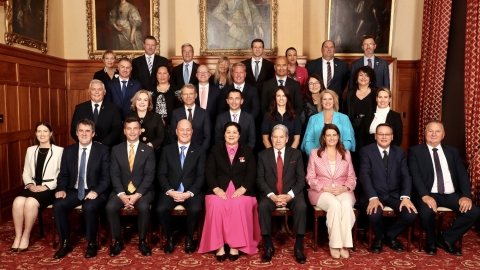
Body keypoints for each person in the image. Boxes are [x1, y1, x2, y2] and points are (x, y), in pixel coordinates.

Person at [408, 120, 480, 256]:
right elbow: (414, 175)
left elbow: (462, 174)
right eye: (430, 131)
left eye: (437, 131)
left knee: (474, 212)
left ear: (443, 134)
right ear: (425, 133)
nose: (434, 134)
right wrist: (425, 195)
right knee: (426, 211)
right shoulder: (415, 151)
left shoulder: (452, 152)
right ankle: (430, 242)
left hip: (450, 194)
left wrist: (466, 196)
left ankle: (445, 239)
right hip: (427, 193)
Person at [199, 122, 261, 261]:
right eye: (228, 132)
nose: (231, 135)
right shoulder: (215, 150)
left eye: (234, 132)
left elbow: (252, 173)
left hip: (242, 189)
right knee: (216, 205)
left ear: (239, 135)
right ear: (224, 134)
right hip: (218, 188)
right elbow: (209, 172)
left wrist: (243, 188)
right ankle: (219, 246)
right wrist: (216, 188)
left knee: (238, 204)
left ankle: (235, 246)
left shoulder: (247, 151)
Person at [53, 119, 110, 259]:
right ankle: (65, 243)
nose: (84, 134)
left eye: (87, 131)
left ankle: (91, 243)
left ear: (93, 133)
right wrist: (61, 188)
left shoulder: (103, 150)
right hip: (74, 190)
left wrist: (96, 191)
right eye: (81, 130)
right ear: (76, 133)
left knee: (89, 207)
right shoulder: (68, 151)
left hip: (96, 190)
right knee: (58, 205)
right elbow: (63, 175)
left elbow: (106, 178)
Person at [359, 123, 417, 253]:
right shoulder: (366, 151)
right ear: (375, 136)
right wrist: (373, 197)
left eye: (387, 134)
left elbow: (406, 176)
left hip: (394, 194)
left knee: (411, 214)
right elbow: (364, 176)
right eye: (380, 134)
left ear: (392, 136)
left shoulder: (399, 152)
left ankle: (390, 236)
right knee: (374, 214)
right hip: (374, 193)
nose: (384, 137)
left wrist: (406, 197)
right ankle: (378, 238)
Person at [257, 124, 307, 264]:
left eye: (281, 137)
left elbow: (301, 179)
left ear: (287, 139)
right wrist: (272, 195)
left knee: (302, 206)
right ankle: (269, 247)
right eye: (275, 137)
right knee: (262, 207)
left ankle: (298, 247)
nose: (278, 140)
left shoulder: (296, 154)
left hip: (292, 194)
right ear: (271, 138)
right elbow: (259, 179)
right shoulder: (262, 155)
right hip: (270, 195)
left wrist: (290, 195)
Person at [106, 117, 156, 257]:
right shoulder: (116, 150)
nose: (132, 131)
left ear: (140, 131)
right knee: (110, 207)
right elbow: (114, 174)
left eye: (135, 128)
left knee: (144, 207)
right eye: (129, 128)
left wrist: (137, 194)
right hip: (120, 190)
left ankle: (142, 241)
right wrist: (121, 194)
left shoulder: (148, 150)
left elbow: (149, 175)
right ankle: (117, 241)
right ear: (124, 131)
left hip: (142, 191)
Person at [10, 122, 63, 253]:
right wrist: (29, 185)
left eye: (45, 131)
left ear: (51, 134)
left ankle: (26, 236)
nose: (42, 134)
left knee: (30, 203)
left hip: (49, 189)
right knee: (17, 202)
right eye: (39, 131)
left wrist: (45, 186)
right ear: (35, 134)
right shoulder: (30, 150)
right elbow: (26, 172)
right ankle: (18, 236)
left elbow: (62, 175)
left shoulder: (59, 151)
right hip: (32, 187)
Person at [306, 124, 356, 259]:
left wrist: (345, 188)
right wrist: (324, 188)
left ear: (338, 137)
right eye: (328, 135)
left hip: (342, 190)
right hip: (321, 191)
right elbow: (310, 177)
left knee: (345, 205)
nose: (332, 138)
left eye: (334, 135)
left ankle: (345, 244)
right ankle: (334, 244)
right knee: (334, 205)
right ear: (323, 137)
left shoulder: (346, 154)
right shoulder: (315, 154)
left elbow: (352, 177)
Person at [156, 120, 206, 255]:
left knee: (195, 209)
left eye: (188, 130)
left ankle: (190, 238)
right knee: (161, 209)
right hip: (171, 191)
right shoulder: (167, 150)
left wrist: (189, 193)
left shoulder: (200, 150)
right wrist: (171, 192)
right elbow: (161, 175)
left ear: (192, 132)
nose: (185, 133)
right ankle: (170, 237)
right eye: (182, 130)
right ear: (176, 131)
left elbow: (201, 176)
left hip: (191, 192)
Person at [301, 90, 355, 156]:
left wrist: (338, 154)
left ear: (334, 101)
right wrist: (315, 156)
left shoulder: (344, 118)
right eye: (324, 99)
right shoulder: (313, 119)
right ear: (321, 102)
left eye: (330, 99)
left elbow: (348, 140)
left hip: (339, 156)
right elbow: (308, 141)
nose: (327, 102)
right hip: (317, 156)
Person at [70, 79, 122, 147]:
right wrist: (86, 142)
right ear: (89, 91)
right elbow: (74, 130)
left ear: (104, 92)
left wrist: (103, 144)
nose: (96, 92)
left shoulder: (113, 108)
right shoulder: (80, 108)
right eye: (93, 89)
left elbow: (116, 130)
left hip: (107, 147)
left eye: (100, 89)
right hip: (85, 146)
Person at [306, 40, 349, 106]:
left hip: (336, 102)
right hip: (317, 102)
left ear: (334, 49)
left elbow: (343, 83)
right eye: (326, 47)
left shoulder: (343, 65)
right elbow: (309, 83)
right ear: (321, 49)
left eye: (331, 47)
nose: (329, 49)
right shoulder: (311, 65)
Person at [345, 66, 377, 151]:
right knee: (354, 152)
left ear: (370, 78)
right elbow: (345, 111)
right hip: (353, 127)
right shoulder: (350, 93)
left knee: (368, 152)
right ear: (356, 78)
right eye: (361, 75)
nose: (363, 77)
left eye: (366, 75)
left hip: (370, 127)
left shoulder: (376, 92)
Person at [170, 84, 211, 150]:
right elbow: (172, 136)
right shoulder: (175, 113)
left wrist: (201, 152)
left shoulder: (204, 113)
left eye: (191, 94)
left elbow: (207, 136)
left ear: (196, 95)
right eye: (185, 94)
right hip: (180, 152)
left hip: (199, 152)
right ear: (181, 96)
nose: (188, 96)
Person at [151, 65, 181, 145]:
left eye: (165, 73)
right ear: (156, 75)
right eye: (159, 73)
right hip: (153, 126)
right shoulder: (149, 90)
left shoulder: (177, 90)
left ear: (169, 75)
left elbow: (180, 108)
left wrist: (167, 121)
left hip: (172, 126)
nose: (162, 76)